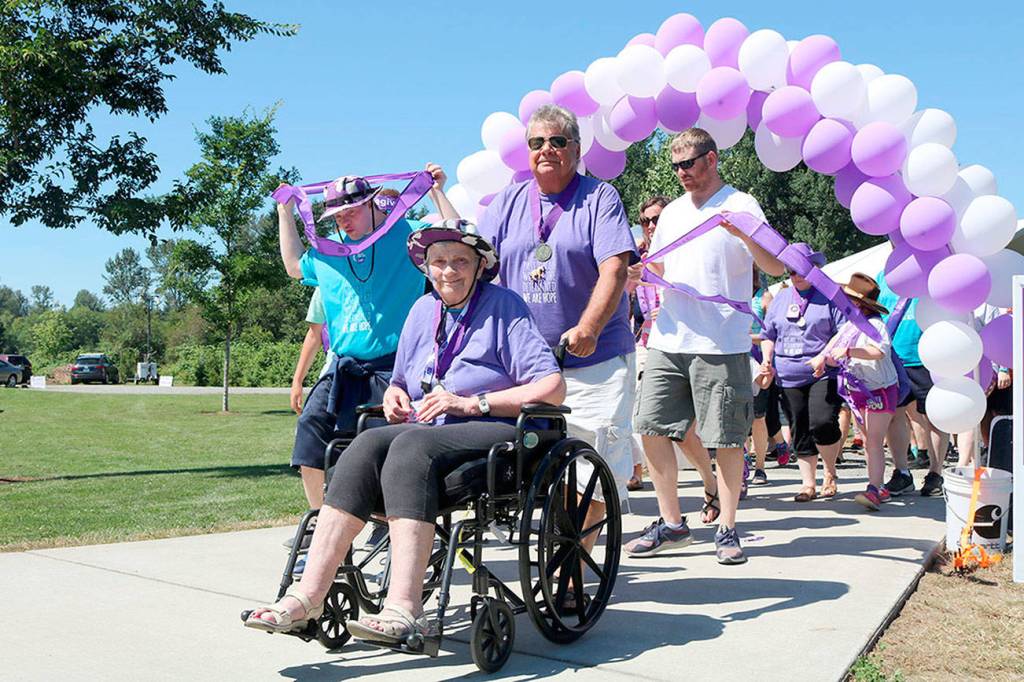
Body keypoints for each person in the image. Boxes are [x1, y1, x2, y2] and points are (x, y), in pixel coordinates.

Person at [244, 220, 565, 641]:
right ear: (426, 267)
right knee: (365, 443)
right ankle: (308, 596)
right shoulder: (422, 310)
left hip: (492, 426)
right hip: (430, 426)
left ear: (480, 265)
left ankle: (405, 607)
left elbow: (552, 387)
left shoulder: (504, 306)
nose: (448, 271)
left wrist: (472, 403)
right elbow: (401, 380)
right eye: (439, 262)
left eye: (460, 261)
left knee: (412, 445)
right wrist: (396, 394)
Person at [478, 104, 638, 533]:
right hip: (527, 365)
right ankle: (557, 552)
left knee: (589, 473)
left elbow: (615, 269)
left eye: (557, 141)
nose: (546, 149)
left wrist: (589, 328)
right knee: (526, 466)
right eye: (537, 142)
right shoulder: (508, 202)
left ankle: (572, 565)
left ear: (576, 149)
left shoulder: (599, 198)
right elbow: (479, 267)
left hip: (594, 360)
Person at [629, 127, 784, 564]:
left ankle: (727, 527)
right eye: (676, 165)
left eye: (689, 164)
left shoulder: (742, 204)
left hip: (722, 341)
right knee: (651, 426)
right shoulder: (673, 213)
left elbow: (774, 265)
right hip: (668, 338)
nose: (681, 172)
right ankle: (672, 523)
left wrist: (746, 235)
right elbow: (659, 265)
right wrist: (635, 274)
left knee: (727, 439)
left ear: (712, 159)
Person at [276, 165, 456, 513]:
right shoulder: (329, 251)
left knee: (385, 446)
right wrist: (285, 212)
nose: (343, 220)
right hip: (344, 368)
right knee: (310, 428)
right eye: (336, 215)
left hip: (393, 368)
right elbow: (294, 266)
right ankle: (319, 518)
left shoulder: (406, 235)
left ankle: (387, 520)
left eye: (351, 211)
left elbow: (454, 236)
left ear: (372, 203)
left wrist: (437, 191)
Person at [759, 245, 845, 501]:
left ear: (814, 268)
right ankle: (808, 484)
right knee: (799, 427)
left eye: (801, 270)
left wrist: (824, 356)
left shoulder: (830, 295)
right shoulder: (781, 298)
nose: (796, 275)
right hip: (788, 374)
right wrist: (767, 360)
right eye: (791, 271)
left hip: (822, 371)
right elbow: (768, 335)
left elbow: (843, 332)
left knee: (822, 422)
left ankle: (829, 473)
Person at [811, 273, 897, 511]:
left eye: (849, 299)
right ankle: (878, 486)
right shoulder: (850, 326)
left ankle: (874, 489)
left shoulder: (875, 325)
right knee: (868, 441)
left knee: (874, 441)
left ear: (859, 303)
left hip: (879, 389)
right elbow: (833, 345)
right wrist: (821, 359)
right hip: (858, 389)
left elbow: (879, 351)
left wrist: (850, 352)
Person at [627, 196, 671, 491]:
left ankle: (727, 469)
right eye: (645, 221)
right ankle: (636, 469)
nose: (651, 226)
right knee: (640, 410)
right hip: (646, 342)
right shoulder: (638, 258)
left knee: (695, 420)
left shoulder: (685, 251)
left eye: (657, 219)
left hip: (687, 341)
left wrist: (669, 310)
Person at [748, 266, 776, 486]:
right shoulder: (725, 293)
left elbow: (773, 331)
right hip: (732, 357)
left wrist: (748, 337)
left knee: (758, 416)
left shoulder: (764, 297)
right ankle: (741, 462)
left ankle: (760, 467)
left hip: (758, 359)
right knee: (735, 416)